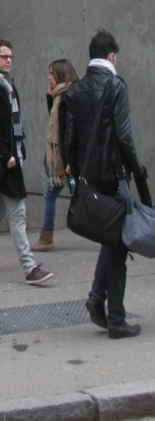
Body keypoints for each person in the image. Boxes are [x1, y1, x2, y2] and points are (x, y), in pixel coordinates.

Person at [64, 29, 151, 339]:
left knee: (111, 241)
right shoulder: (116, 86)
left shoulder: (75, 91)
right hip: (114, 179)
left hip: (90, 181)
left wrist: (78, 176)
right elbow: (124, 136)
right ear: (112, 55)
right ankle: (115, 319)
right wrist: (136, 171)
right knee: (118, 246)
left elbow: (69, 142)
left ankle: (97, 299)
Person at [0, 39, 53, 285]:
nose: (8, 61)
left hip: (12, 155)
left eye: (11, 57)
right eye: (4, 57)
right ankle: (29, 267)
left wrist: (17, 151)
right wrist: (7, 157)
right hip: (4, 159)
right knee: (18, 211)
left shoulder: (7, 84)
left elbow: (12, 123)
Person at [30, 59, 79, 252]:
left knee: (80, 194)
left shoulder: (69, 96)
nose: (49, 77)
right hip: (64, 160)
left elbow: (69, 131)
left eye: (51, 73)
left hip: (68, 160)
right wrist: (50, 97)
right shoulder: (61, 96)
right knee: (53, 193)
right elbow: (56, 123)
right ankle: (46, 237)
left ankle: (47, 238)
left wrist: (70, 160)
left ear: (60, 74)